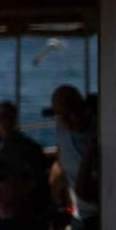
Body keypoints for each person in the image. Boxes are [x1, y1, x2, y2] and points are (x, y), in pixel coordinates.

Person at [45, 85, 99, 223]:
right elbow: (61, 155)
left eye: (69, 114)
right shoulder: (61, 127)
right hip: (77, 212)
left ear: (83, 108)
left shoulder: (99, 135)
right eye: (59, 116)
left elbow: (85, 191)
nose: (65, 122)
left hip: (97, 215)